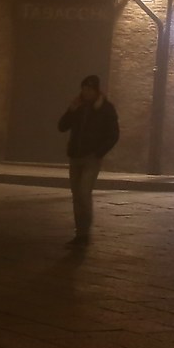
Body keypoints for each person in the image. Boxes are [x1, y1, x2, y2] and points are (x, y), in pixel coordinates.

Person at [58, 74, 120, 244]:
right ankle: (79, 233)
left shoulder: (106, 108)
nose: (86, 92)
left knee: (84, 193)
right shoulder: (78, 106)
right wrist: (71, 110)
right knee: (76, 195)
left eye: (89, 89)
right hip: (75, 157)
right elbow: (62, 126)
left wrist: (99, 152)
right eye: (84, 89)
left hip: (91, 158)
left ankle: (84, 233)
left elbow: (113, 135)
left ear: (96, 90)